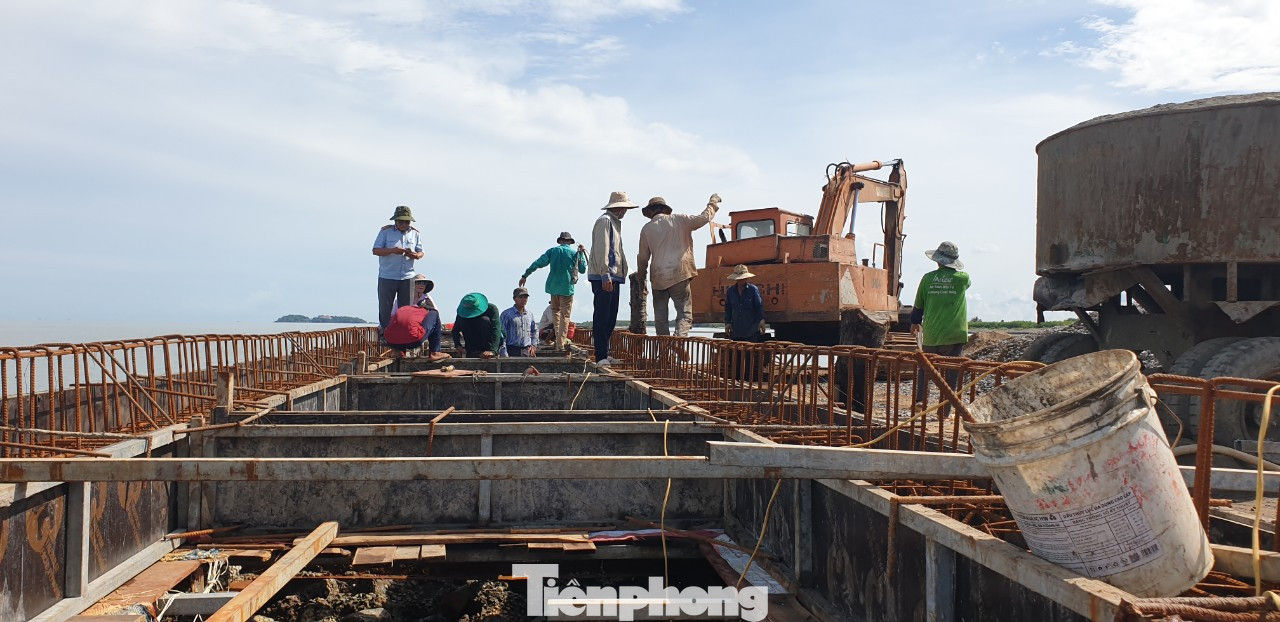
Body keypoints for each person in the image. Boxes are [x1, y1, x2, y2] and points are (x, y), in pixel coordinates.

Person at [635, 194, 721, 337]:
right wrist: (712, 204)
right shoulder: (679, 219)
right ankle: (679, 339)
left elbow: (643, 258)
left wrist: (641, 279)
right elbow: (703, 218)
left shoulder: (646, 229)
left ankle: (665, 353)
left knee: (661, 320)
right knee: (684, 314)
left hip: (658, 278)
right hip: (679, 273)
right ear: (665, 209)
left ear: (650, 212)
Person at [911, 241, 971, 414]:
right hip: (954, 335)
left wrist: (915, 323)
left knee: (926, 368)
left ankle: (921, 401)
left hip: (931, 334)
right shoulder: (963, 278)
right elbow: (967, 285)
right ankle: (944, 411)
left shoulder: (927, 279)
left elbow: (918, 307)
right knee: (950, 374)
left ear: (937, 261)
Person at [588, 191, 638, 367]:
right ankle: (600, 354)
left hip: (614, 276)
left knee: (611, 316)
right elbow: (603, 248)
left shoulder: (615, 223)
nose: (625, 211)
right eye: (624, 207)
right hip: (605, 275)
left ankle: (604, 353)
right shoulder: (605, 221)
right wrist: (605, 274)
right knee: (602, 315)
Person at [519, 231, 588, 351]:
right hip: (567, 288)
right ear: (569, 242)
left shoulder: (552, 251)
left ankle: (558, 341)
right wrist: (581, 254)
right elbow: (582, 269)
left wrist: (526, 275)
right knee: (565, 316)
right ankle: (560, 344)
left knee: (556, 313)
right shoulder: (574, 253)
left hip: (553, 287)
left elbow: (538, 263)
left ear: (560, 241)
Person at [371, 206, 424, 337]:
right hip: (387, 275)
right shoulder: (385, 232)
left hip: (408, 276)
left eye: (407, 222)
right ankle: (386, 334)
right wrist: (393, 250)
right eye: (401, 221)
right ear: (395, 221)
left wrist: (416, 255)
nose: (404, 224)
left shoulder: (415, 233)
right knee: (385, 308)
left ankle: (403, 336)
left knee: (406, 309)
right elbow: (375, 250)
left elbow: (421, 251)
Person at [384, 297, 450, 362]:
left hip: (391, 342)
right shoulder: (424, 311)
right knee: (435, 313)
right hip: (414, 340)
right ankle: (435, 352)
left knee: (403, 326)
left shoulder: (402, 309)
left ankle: (396, 351)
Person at [453, 293, 503, 358]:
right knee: (464, 320)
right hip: (472, 343)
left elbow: (496, 329)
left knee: (484, 320)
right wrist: (457, 345)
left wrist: (493, 350)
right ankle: (472, 351)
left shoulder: (491, 308)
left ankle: (488, 349)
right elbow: (455, 330)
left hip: (489, 342)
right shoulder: (462, 312)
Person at [724, 264, 765, 342]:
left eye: (743, 278)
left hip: (751, 330)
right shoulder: (730, 291)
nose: (741, 280)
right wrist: (727, 323)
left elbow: (759, 306)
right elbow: (728, 308)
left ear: (746, 278)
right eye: (739, 279)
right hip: (735, 330)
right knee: (736, 353)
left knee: (750, 353)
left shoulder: (753, 290)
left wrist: (762, 320)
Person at [501, 288, 539, 357]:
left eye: (525, 297)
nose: (523, 299)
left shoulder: (529, 314)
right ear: (514, 298)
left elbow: (535, 330)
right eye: (520, 297)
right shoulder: (506, 314)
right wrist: (504, 352)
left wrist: (534, 345)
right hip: (511, 349)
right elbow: (502, 334)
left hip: (527, 350)